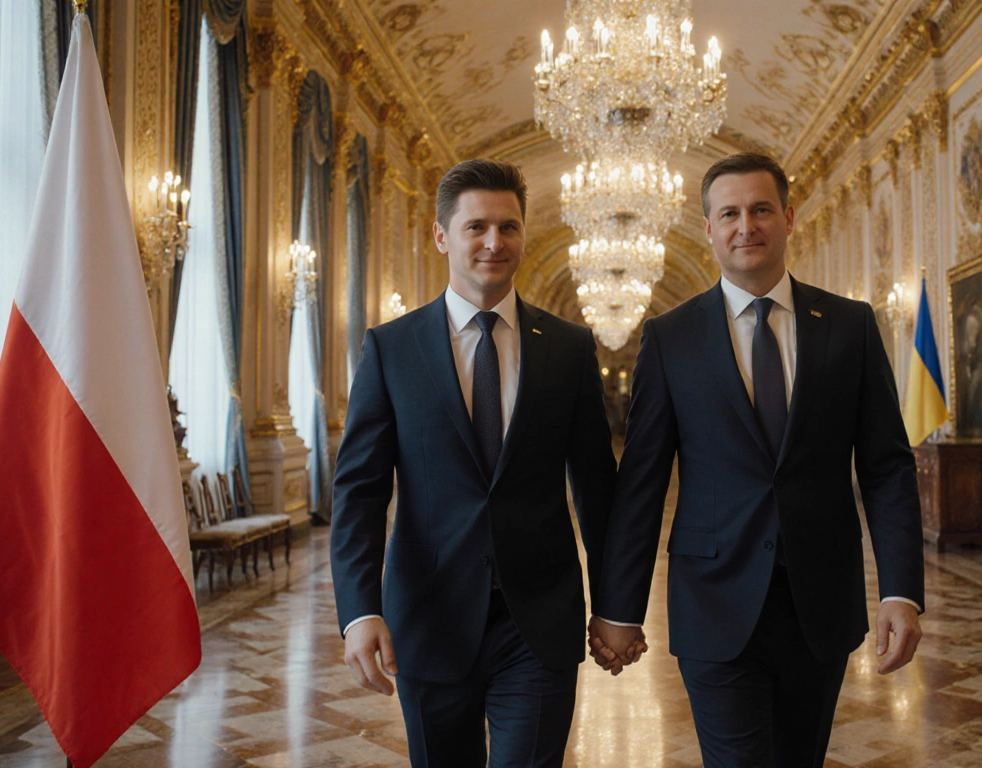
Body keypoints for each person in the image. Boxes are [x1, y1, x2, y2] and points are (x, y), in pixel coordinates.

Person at [589, 153, 925, 767]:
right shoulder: (671, 338)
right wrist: (618, 607)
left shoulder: (849, 325)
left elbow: (885, 466)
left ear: (789, 217)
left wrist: (901, 591)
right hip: (713, 603)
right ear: (710, 229)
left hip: (820, 604)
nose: (747, 226)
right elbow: (641, 482)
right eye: (730, 214)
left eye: (761, 209)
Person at [330, 159, 617, 767]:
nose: (495, 242)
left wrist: (615, 606)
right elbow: (359, 491)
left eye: (509, 227)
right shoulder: (391, 348)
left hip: (538, 623)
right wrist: (359, 611)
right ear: (442, 236)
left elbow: (596, 488)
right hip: (428, 620)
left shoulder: (569, 348)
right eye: (477, 227)